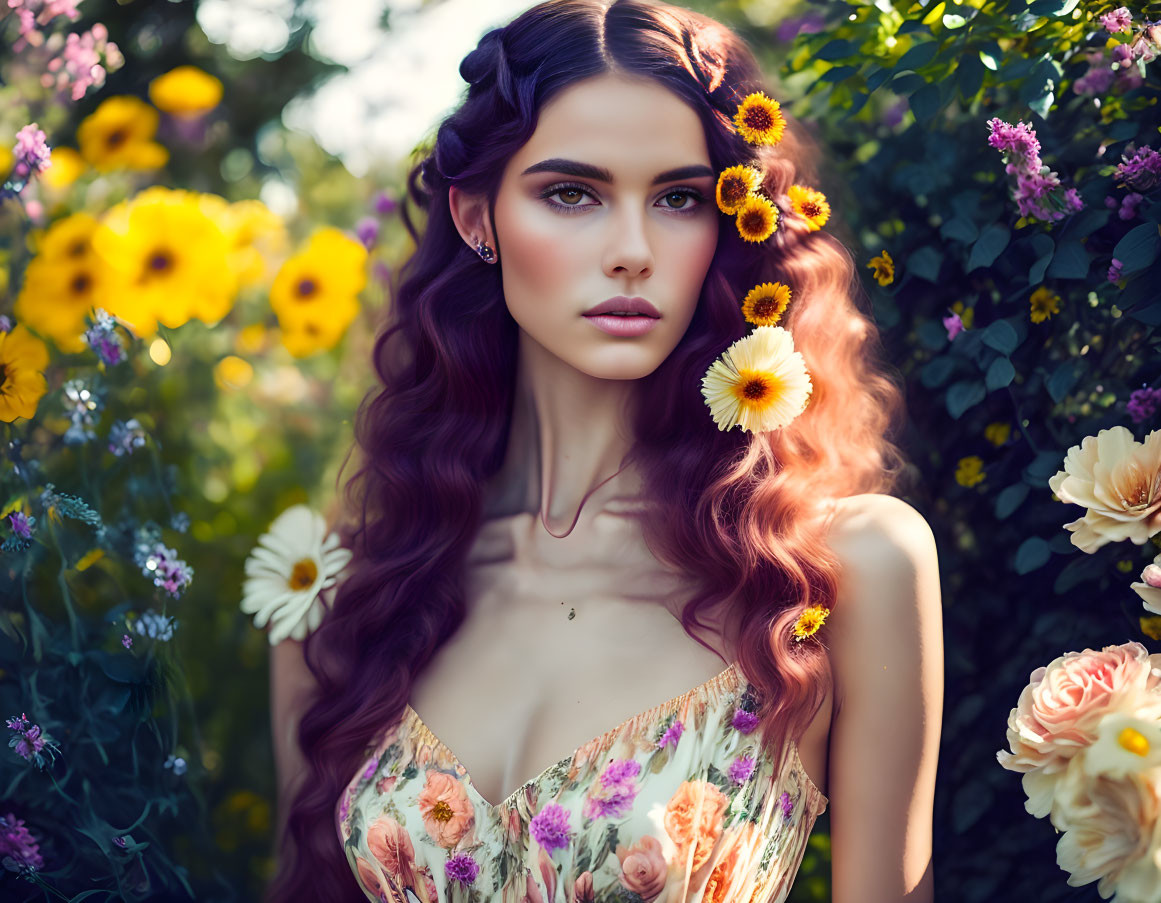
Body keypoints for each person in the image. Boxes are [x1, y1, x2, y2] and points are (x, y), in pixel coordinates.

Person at [263, 2, 943, 901]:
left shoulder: (836, 568)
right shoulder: (340, 597)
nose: (631, 252)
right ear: (478, 217)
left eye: (678, 198)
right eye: (571, 193)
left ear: (727, 225)